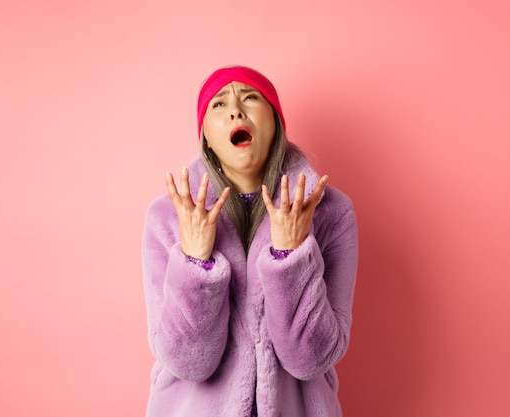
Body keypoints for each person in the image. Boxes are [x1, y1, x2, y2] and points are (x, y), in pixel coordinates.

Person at [141, 65, 358, 417]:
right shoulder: (167, 217)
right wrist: (195, 260)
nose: (235, 110)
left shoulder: (330, 212)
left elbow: (312, 359)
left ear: (276, 122)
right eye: (219, 103)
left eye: (250, 97)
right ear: (206, 138)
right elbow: (187, 363)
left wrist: (291, 255)